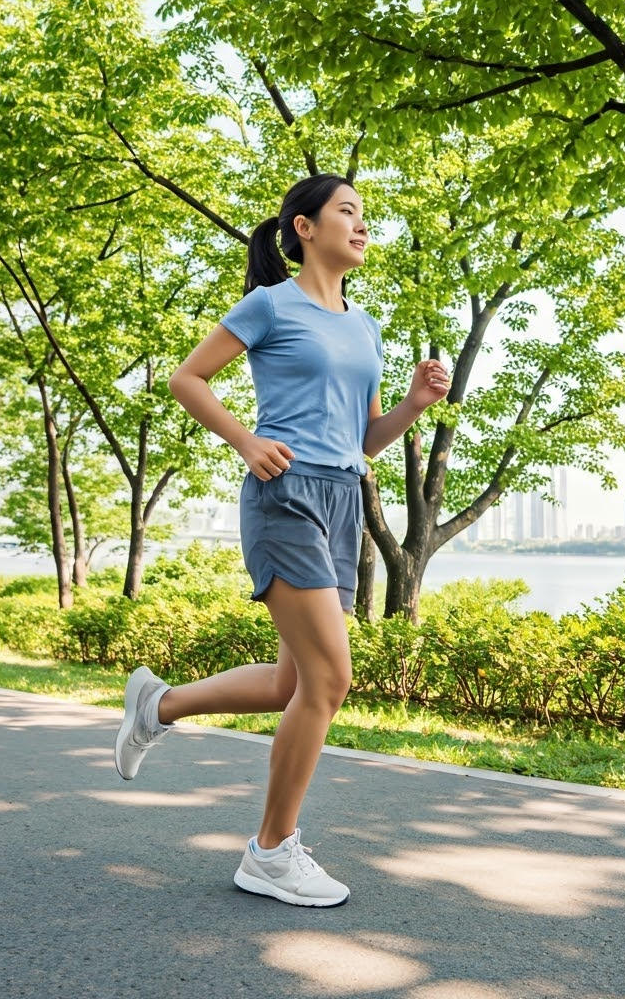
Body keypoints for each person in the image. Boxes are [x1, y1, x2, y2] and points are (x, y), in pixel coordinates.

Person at [114, 173, 450, 907]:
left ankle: (157, 706)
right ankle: (270, 852)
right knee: (331, 679)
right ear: (304, 226)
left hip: (340, 495)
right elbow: (189, 378)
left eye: (365, 216)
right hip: (286, 493)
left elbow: (364, 441)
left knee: (289, 685)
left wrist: (413, 406)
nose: (362, 226)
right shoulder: (270, 305)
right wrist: (245, 440)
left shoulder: (366, 326)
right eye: (347, 212)